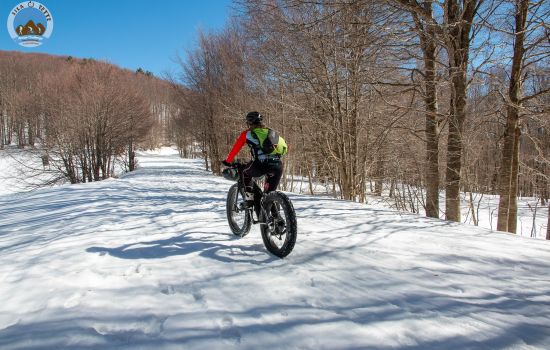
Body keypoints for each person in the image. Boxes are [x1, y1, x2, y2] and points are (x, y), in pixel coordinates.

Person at [222, 111, 287, 208]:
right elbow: (284, 148)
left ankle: (249, 200)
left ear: (248, 123)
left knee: (245, 172)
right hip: (278, 165)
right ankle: (276, 219)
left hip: (260, 165)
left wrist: (228, 161)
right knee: (269, 194)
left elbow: (236, 148)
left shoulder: (247, 134)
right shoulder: (271, 132)